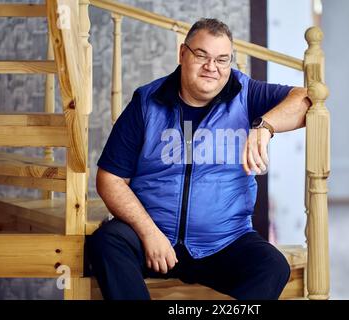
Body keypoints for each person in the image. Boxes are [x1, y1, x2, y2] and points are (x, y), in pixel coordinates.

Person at [87, 18, 311, 300]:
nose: (212, 67)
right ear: (182, 54)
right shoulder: (147, 102)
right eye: (201, 55)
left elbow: (306, 100)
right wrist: (149, 233)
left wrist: (265, 126)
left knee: (273, 266)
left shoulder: (246, 94)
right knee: (107, 242)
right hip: (155, 240)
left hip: (224, 243)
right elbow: (110, 178)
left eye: (222, 59)